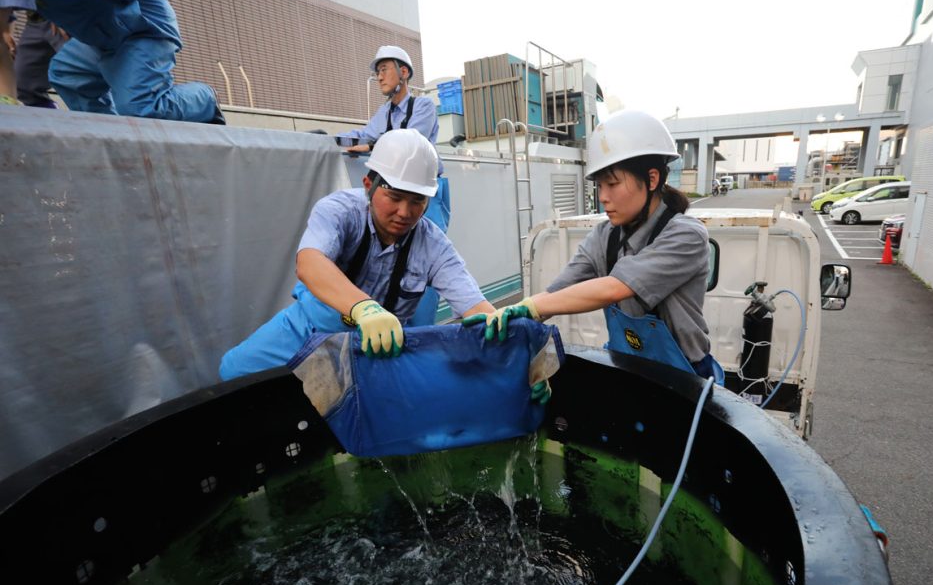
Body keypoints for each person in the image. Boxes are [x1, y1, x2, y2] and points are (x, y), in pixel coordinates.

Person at [464, 109, 723, 382]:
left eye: (612, 184)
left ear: (652, 178)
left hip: (687, 380)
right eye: (599, 186)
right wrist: (514, 317)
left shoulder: (686, 235)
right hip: (630, 370)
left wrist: (533, 308)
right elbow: (556, 294)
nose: (603, 198)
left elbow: (615, 287)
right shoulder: (604, 236)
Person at [219, 129, 496, 381]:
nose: (405, 212)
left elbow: (475, 307)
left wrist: (505, 323)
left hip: (378, 348)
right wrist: (366, 308)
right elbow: (309, 262)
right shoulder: (338, 211)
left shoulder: (434, 245)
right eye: (395, 197)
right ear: (368, 184)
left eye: (417, 201)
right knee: (234, 370)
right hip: (309, 329)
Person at [338, 45, 449, 326]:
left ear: (404, 72)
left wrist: (371, 144)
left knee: (424, 257)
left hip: (426, 191)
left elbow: (410, 141)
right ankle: (390, 324)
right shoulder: (383, 112)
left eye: (384, 69)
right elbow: (363, 134)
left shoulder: (422, 106)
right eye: (377, 72)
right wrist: (332, 141)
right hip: (394, 185)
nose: (379, 77)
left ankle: (421, 333)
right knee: (389, 255)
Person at [25, 0, 223, 122]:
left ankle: (205, 99)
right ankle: (110, 132)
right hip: (99, 35)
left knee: (141, 107)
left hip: (142, 27)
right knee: (67, 73)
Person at [14, 11, 67, 107]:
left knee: (82, 73)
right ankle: (49, 115)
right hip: (35, 19)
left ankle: (98, 115)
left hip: (67, 17)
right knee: (23, 82)